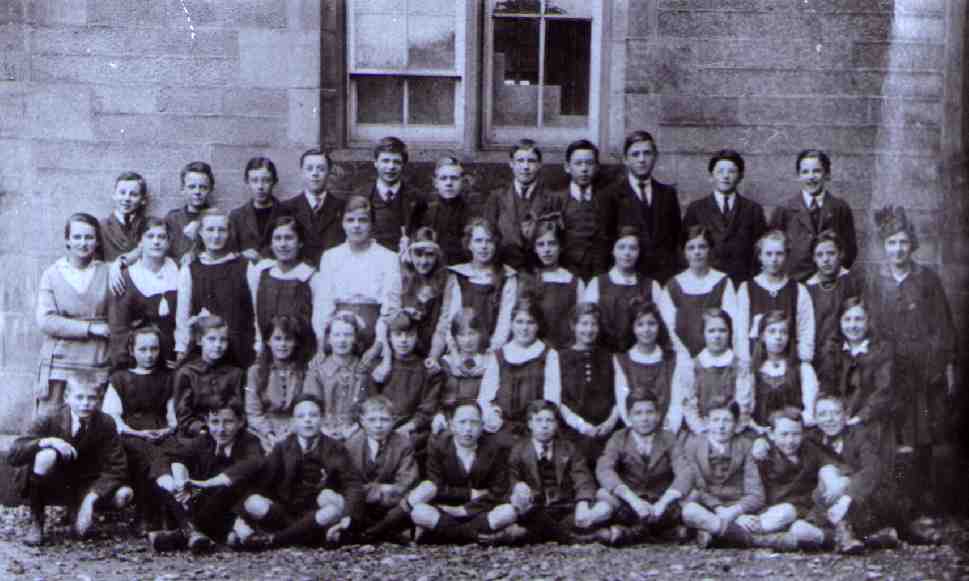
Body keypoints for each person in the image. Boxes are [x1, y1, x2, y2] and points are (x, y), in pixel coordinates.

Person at [865, 206, 957, 522]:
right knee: (895, 435)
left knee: (923, 436)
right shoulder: (877, 282)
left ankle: (924, 504)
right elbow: (871, 326)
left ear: (912, 245)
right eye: (891, 243)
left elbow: (942, 327)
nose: (898, 249)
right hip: (891, 370)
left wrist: (939, 366)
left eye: (903, 242)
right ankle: (896, 505)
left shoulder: (926, 279)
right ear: (884, 246)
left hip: (923, 370)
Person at [9, 373, 133, 546]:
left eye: (91, 398)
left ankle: (78, 511)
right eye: (79, 397)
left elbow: (117, 467)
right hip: (53, 479)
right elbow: (14, 453)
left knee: (124, 495)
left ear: (99, 399)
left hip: (84, 482)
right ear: (67, 397)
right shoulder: (49, 417)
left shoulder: (105, 422)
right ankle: (37, 520)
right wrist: (48, 441)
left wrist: (91, 498)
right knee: (47, 455)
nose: (85, 403)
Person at [233, 394, 364, 549]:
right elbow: (262, 482)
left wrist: (349, 515)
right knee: (254, 502)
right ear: (293, 421)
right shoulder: (282, 448)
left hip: (317, 512)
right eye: (301, 416)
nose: (307, 420)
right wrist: (240, 516)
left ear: (322, 419)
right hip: (286, 511)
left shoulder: (335, 448)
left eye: (313, 415)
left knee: (332, 506)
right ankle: (303, 536)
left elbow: (352, 484)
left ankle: (275, 541)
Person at [489, 400, 611, 544]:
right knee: (525, 519)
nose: (544, 425)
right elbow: (511, 479)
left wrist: (582, 503)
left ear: (556, 424)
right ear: (530, 424)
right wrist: (518, 489)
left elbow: (583, 478)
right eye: (538, 420)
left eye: (549, 420)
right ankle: (573, 536)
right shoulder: (518, 450)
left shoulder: (569, 448)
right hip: (534, 509)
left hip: (565, 508)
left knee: (599, 510)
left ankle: (549, 534)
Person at [149, 398, 263, 552]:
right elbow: (169, 456)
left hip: (233, 506)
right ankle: (194, 533)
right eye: (215, 422)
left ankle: (185, 534)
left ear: (241, 422)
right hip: (205, 504)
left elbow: (251, 464)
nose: (221, 429)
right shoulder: (205, 441)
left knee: (225, 488)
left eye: (228, 422)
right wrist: (174, 481)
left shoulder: (250, 442)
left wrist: (206, 483)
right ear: (207, 423)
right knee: (168, 481)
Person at [102, 325, 177, 535]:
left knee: (170, 451)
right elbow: (112, 417)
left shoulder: (168, 378)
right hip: (129, 433)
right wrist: (136, 433)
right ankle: (145, 515)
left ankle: (168, 513)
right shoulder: (119, 378)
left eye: (154, 349)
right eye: (143, 350)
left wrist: (168, 430)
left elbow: (173, 414)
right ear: (132, 350)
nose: (149, 355)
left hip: (160, 431)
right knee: (143, 453)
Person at [36, 213, 112, 417]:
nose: (83, 243)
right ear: (67, 240)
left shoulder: (108, 272)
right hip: (60, 361)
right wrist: (90, 328)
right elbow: (46, 320)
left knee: (93, 424)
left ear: (97, 241)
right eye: (77, 237)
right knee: (53, 421)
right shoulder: (52, 274)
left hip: (97, 358)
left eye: (89, 237)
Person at [405, 401, 510, 544]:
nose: (468, 428)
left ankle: (445, 535)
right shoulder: (438, 447)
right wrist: (469, 494)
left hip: (480, 511)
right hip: (446, 510)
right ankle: (472, 536)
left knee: (507, 512)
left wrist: (465, 510)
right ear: (452, 425)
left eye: (474, 423)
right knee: (419, 512)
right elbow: (437, 487)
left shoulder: (495, 449)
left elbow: (499, 491)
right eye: (462, 422)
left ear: (481, 425)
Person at [314, 195, 401, 357]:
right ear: (342, 223)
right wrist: (323, 344)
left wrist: (378, 346)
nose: (356, 226)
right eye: (350, 220)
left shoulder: (388, 258)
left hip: (375, 335)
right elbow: (323, 305)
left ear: (372, 224)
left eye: (363, 220)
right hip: (338, 337)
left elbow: (391, 307)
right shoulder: (331, 257)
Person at [595, 392, 684, 545]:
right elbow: (604, 469)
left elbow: (684, 470)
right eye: (638, 413)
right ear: (629, 416)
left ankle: (631, 533)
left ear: (658, 415)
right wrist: (633, 499)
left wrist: (662, 503)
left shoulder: (668, 437)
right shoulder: (619, 437)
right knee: (603, 494)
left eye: (650, 412)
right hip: (630, 503)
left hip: (660, 504)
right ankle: (662, 533)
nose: (644, 418)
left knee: (692, 494)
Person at [815, 298, 894, 470]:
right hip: (837, 416)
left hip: (869, 418)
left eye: (859, 319)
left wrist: (859, 417)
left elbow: (884, 391)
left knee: (867, 452)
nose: (853, 326)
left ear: (868, 322)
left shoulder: (881, 350)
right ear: (840, 322)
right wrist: (834, 415)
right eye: (847, 320)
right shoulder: (832, 349)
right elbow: (827, 387)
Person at [673, 401, 764, 549]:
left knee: (785, 513)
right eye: (715, 420)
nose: (721, 426)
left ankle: (713, 533)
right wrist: (719, 510)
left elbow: (757, 494)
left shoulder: (746, 445)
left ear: (736, 424)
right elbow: (697, 486)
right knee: (689, 510)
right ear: (706, 422)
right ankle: (742, 536)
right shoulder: (692, 445)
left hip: (737, 507)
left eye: (727, 420)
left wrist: (735, 512)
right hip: (707, 508)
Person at [174, 208, 256, 368]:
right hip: (205, 351)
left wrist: (258, 345)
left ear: (229, 233)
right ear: (201, 233)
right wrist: (182, 347)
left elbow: (256, 310)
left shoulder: (245, 266)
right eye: (210, 230)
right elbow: (183, 314)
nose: (216, 236)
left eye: (222, 230)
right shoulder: (190, 269)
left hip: (240, 347)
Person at [431, 218, 517, 360]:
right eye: (478, 241)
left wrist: (491, 355)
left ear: (495, 244)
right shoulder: (458, 275)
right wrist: (454, 352)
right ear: (469, 244)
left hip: (493, 354)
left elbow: (505, 323)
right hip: (459, 353)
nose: (484, 246)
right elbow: (448, 319)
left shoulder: (508, 277)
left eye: (489, 241)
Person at [744, 407, 829, 551]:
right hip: (774, 512)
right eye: (784, 434)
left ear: (803, 434)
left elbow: (829, 463)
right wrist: (759, 441)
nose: (790, 441)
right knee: (785, 512)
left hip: (803, 512)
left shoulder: (810, 450)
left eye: (796, 434)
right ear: (771, 434)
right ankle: (743, 535)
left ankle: (753, 538)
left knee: (800, 529)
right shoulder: (765, 454)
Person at [478, 300, 560, 444]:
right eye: (519, 322)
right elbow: (484, 398)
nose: (524, 328)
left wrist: (539, 425)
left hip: (536, 430)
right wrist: (492, 416)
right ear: (511, 324)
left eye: (530, 322)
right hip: (502, 429)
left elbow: (552, 400)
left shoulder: (548, 355)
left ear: (538, 325)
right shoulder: (499, 355)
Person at [605, 130, 682, 283]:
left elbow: (675, 240)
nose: (642, 159)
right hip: (628, 278)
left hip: (663, 278)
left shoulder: (668, 194)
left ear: (655, 157)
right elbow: (606, 242)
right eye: (635, 154)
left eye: (647, 153)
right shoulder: (610, 195)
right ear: (625, 159)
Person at [769, 150, 858, 282]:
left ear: (827, 174)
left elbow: (849, 249)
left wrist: (832, 273)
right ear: (798, 176)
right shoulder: (784, 209)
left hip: (830, 283)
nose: (811, 177)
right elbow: (773, 247)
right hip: (795, 282)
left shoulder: (840, 208)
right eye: (805, 172)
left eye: (816, 171)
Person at [613, 300, 698, 436]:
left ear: (659, 326)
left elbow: (677, 401)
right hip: (636, 432)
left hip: (667, 430)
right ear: (632, 328)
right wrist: (637, 431)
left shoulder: (672, 360)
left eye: (651, 324)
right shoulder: (622, 361)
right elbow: (623, 401)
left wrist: (669, 431)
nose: (646, 330)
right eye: (640, 324)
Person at [682, 149, 767, 284]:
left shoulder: (753, 209)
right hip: (707, 281)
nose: (725, 176)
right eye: (720, 171)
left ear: (740, 176)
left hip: (742, 281)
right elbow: (686, 247)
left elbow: (760, 252)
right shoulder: (697, 208)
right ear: (711, 176)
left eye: (732, 171)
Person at [344, 396, 419, 542]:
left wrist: (384, 491)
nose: (378, 425)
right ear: (362, 421)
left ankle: (381, 529)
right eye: (372, 420)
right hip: (362, 502)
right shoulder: (351, 445)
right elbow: (350, 482)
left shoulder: (403, 444)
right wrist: (378, 489)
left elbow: (406, 481)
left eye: (384, 420)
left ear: (393, 421)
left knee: (413, 499)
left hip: (392, 502)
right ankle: (371, 530)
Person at [108, 217, 179, 370]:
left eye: (162, 237)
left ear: (168, 241)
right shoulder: (127, 278)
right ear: (140, 242)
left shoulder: (179, 270)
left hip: (175, 360)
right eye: (150, 236)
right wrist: (128, 365)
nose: (156, 242)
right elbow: (119, 329)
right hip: (140, 364)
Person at [369, 312, 442, 459]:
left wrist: (408, 428)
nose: (403, 340)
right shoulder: (379, 368)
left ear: (417, 337)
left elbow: (427, 409)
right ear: (389, 337)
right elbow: (370, 403)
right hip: (380, 425)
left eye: (409, 335)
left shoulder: (427, 370)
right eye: (398, 334)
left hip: (412, 429)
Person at [736, 230, 815, 363]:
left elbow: (806, 332)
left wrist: (802, 363)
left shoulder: (798, 291)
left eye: (779, 254)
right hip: (755, 364)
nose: (774, 259)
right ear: (760, 256)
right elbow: (740, 333)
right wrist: (746, 363)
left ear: (786, 255)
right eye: (768, 254)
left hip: (789, 365)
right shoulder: (746, 289)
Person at [659, 226, 738, 357]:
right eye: (691, 248)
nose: (697, 252)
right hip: (682, 358)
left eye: (702, 247)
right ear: (684, 252)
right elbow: (667, 328)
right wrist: (683, 356)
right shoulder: (673, 286)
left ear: (710, 250)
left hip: (717, 355)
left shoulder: (723, 282)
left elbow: (733, 324)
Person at [555, 303, 619, 463]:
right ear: (573, 326)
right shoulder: (559, 358)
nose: (589, 330)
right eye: (584, 324)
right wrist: (582, 426)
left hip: (606, 429)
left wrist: (609, 423)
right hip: (572, 430)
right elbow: (558, 400)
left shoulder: (609, 357)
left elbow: (619, 395)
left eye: (593, 324)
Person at [584, 227, 664, 353]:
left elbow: (661, 328)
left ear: (639, 252)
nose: (627, 253)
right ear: (613, 250)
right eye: (621, 247)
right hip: (604, 355)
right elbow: (587, 324)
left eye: (633, 248)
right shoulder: (597, 284)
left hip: (640, 357)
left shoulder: (652, 286)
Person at [544, 139, 614, 281]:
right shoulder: (555, 200)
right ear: (567, 167)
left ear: (597, 167)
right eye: (578, 163)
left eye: (589, 163)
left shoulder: (608, 200)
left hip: (599, 275)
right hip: (565, 276)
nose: (584, 169)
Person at [246, 216, 319, 352]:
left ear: (300, 242)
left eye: (289, 238)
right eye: (277, 238)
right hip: (267, 351)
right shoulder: (261, 273)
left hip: (302, 353)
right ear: (271, 243)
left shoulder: (311, 277)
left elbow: (319, 321)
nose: (283, 244)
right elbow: (255, 313)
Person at [245, 315, 316, 453]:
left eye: (288, 339)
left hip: (297, 428)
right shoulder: (256, 372)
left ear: (295, 342)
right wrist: (269, 434)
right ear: (268, 341)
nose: (282, 345)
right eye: (277, 339)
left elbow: (307, 408)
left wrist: (290, 432)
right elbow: (253, 412)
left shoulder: (305, 371)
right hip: (263, 431)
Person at [303, 311, 371, 442]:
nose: (342, 340)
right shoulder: (317, 370)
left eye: (348, 335)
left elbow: (368, 407)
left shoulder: (362, 370)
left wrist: (354, 429)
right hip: (322, 431)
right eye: (337, 335)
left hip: (355, 432)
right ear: (329, 339)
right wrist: (323, 429)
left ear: (356, 338)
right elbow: (310, 406)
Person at [517, 218, 585, 349]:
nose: (547, 250)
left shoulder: (574, 282)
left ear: (561, 247)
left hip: (565, 349)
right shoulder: (526, 280)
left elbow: (580, 322)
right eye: (541, 245)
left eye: (552, 244)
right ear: (534, 248)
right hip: (533, 350)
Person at [173, 316, 245, 438]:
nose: (218, 345)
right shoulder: (187, 373)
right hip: (196, 434)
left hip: (230, 433)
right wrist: (203, 430)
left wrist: (226, 430)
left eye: (223, 340)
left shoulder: (236, 374)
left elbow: (239, 411)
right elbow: (184, 417)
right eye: (211, 339)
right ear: (200, 340)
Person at [685, 309, 753, 433]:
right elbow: (690, 405)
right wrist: (701, 429)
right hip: (703, 429)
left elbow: (744, 405)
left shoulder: (740, 366)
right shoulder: (693, 366)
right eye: (711, 331)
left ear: (730, 333)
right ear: (703, 333)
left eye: (722, 330)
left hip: (733, 429)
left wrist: (733, 429)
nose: (717, 336)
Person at [748, 311, 819, 430]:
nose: (778, 337)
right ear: (762, 336)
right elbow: (747, 413)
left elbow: (810, 413)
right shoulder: (753, 372)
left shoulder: (802, 370)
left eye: (783, 332)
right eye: (772, 331)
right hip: (761, 434)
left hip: (795, 434)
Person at [484, 139, 548, 270]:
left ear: (540, 164)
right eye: (520, 161)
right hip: (505, 268)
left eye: (531, 161)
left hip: (539, 269)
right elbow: (489, 235)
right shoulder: (496, 198)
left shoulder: (550, 199)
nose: (525, 167)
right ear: (511, 164)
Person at [392, 227, 452, 359]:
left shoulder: (447, 280)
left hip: (433, 345)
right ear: (410, 254)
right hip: (402, 346)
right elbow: (390, 315)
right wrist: (405, 313)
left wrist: (433, 357)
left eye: (429, 255)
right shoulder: (400, 277)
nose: (423, 261)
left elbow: (444, 322)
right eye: (418, 255)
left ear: (437, 256)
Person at [280, 148, 347, 264]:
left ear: (329, 172)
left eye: (321, 169)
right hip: (298, 276)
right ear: (302, 172)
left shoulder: (343, 208)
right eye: (309, 169)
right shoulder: (286, 208)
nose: (315, 174)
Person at [804, 230, 865, 356]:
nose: (825, 259)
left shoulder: (853, 282)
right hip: (820, 354)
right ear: (814, 258)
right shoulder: (808, 289)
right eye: (820, 255)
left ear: (841, 254)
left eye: (831, 253)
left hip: (851, 351)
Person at [362, 136, 426, 252]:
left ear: (403, 165)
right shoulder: (362, 196)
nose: (391, 167)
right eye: (385, 161)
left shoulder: (416, 198)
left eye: (396, 162)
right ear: (375, 163)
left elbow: (422, 237)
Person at [419, 156, 486, 264]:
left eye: (454, 178)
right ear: (435, 183)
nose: (449, 183)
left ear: (463, 182)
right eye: (443, 178)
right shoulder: (426, 213)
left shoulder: (473, 214)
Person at [432, 308, 487, 435]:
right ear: (455, 337)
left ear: (481, 334)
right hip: (449, 418)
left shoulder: (487, 362)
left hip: (476, 420)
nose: (467, 340)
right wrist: (439, 414)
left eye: (472, 333)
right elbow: (436, 397)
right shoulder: (446, 363)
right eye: (462, 335)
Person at [227, 157, 285, 261]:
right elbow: (231, 251)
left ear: (274, 182)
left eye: (266, 180)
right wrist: (241, 255)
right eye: (254, 180)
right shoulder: (236, 216)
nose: (260, 186)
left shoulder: (287, 212)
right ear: (247, 182)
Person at [165, 161, 214, 260]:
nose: (197, 192)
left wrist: (196, 254)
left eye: (203, 187)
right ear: (182, 189)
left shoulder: (217, 219)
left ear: (210, 189)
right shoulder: (172, 219)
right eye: (192, 187)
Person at [100, 171, 149, 262]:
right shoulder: (102, 226)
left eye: (133, 194)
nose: (127, 198)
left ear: (143, 200)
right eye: (122, 193)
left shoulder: (149, 225)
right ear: (114, 195)